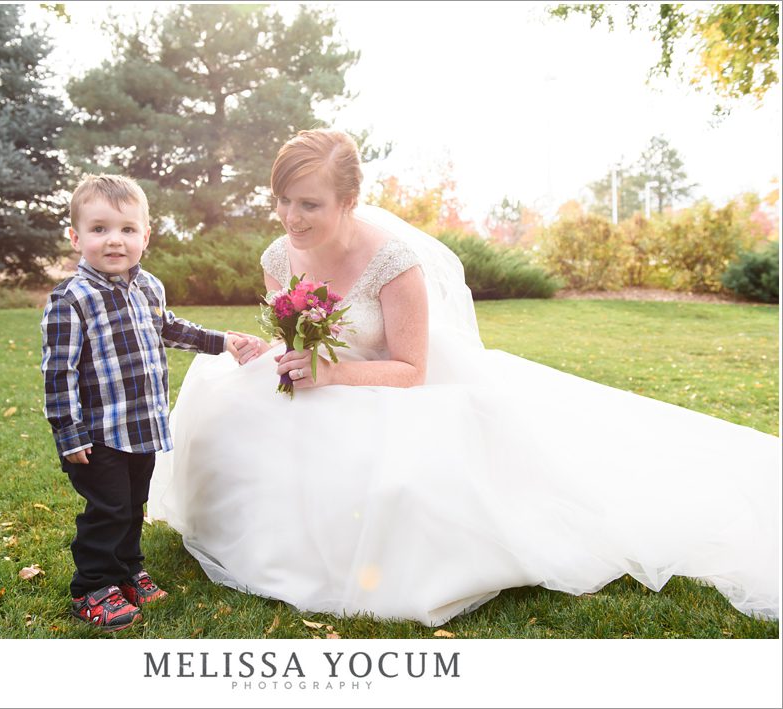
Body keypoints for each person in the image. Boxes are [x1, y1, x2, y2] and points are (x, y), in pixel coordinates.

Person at [148, 130, 780, 627]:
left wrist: (332, 373)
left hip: (392, 388)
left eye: (309, 204)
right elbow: (294, 337)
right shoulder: (277, 255)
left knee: (396, 484)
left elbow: (412, 372)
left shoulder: (393, 262)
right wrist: (283, 357)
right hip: (319, 380)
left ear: (348, 202)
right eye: (282, 200)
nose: (291, 217)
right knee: (232, 420)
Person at [40, 174, 250, 632]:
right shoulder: (71, 299)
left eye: (127, 229)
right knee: (109, 509)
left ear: (145, 236)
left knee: (134, 504)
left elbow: (170, 328)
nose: (114, 240)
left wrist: (222, 342)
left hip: (142, 426)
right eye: (99, 229)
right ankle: (93, 587)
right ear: (76, 238)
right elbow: (59, 373)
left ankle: (129, 571)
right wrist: (68, 433)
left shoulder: (149, 287)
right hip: (98, 435)